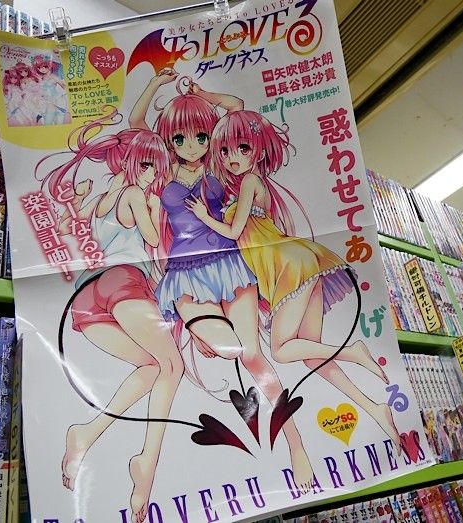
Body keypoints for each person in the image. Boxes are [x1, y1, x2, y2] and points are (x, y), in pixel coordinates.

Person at [129, 70, 316, 492]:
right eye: (180, 139)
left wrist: (202, 92)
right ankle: (208, 346)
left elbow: (236, 107)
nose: (191, 146)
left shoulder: (218, 163)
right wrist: (156, 85)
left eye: (200, 137)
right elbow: (137, 123)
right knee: (226, 345)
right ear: (169, 141)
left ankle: (296, 444)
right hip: (186, 275)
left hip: (230, 264)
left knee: (252, 355)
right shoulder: (161, 172)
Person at [189, 109, 401, 449]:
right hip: (297, 264)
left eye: (242, 148)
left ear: (258, 148)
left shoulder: (250, 181)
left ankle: (352, 351)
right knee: (312, 356)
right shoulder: (250, 184)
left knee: (281, 350)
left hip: (291, 266)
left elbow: (233, 231)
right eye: (225, 151)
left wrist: (203, 216)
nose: (232, 157)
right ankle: (375, 409)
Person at [39, 110, 183, 522]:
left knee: (153, 366)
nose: (154, 174)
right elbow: (154, 240)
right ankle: (147, 463)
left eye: (157, 168)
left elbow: (67, 229)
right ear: (132, 163)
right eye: (149, 165)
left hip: (89, 298)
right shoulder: (137, 194)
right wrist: (156, 207)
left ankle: (86, 433)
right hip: (123, 280)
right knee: (173, 366)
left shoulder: (102, 198)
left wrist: (76, 202)